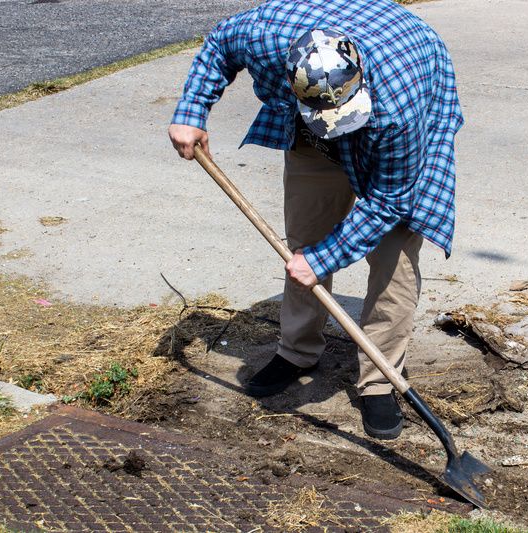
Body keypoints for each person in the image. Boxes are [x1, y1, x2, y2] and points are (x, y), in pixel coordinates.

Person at [169, 0, 463, 440]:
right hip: (312, 137)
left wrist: (326, 258)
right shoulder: (264, 34)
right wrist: (191, 112)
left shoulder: (400, 108)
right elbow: (219, 45)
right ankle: (297, 350)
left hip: (399, 122)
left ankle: (380, 380)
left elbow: (389, 200)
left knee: (394, 259)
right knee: (302, 245)